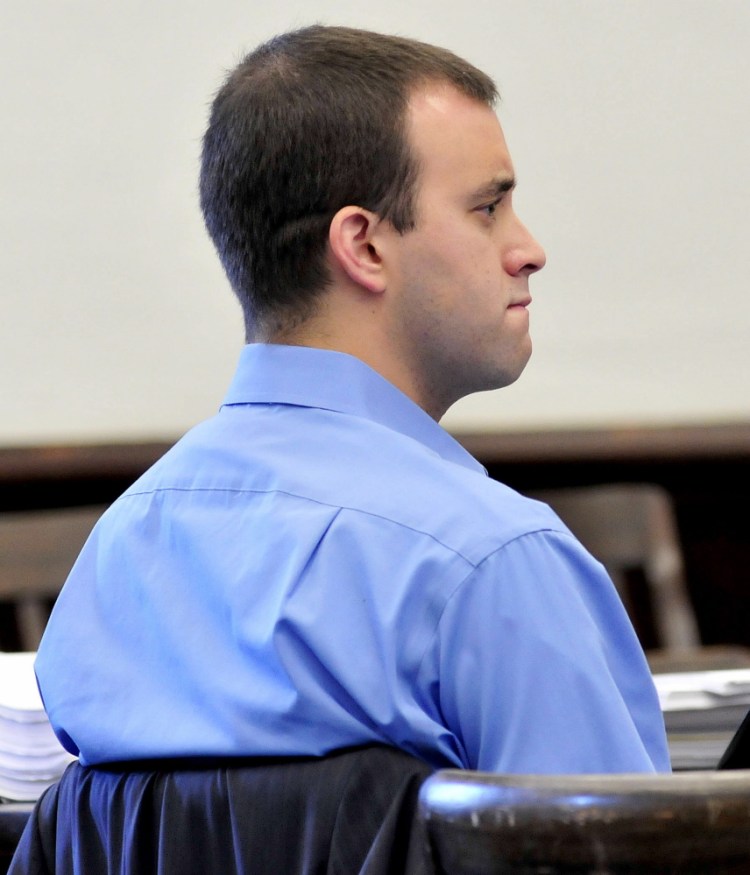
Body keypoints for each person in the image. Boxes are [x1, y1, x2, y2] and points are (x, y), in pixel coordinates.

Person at [35, 25, 670, 774]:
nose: (529, 248)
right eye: (488, 208)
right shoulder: (491, 566)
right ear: (364, 246)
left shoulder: (116, 557)